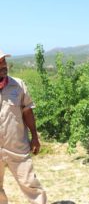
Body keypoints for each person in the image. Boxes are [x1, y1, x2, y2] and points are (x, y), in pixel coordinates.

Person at [0, 50, 47, 204]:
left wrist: (34, 137)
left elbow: (27, 112)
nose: (3, 65)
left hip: (17, 146)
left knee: (30, 184)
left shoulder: (18, 85)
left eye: (4, 62)